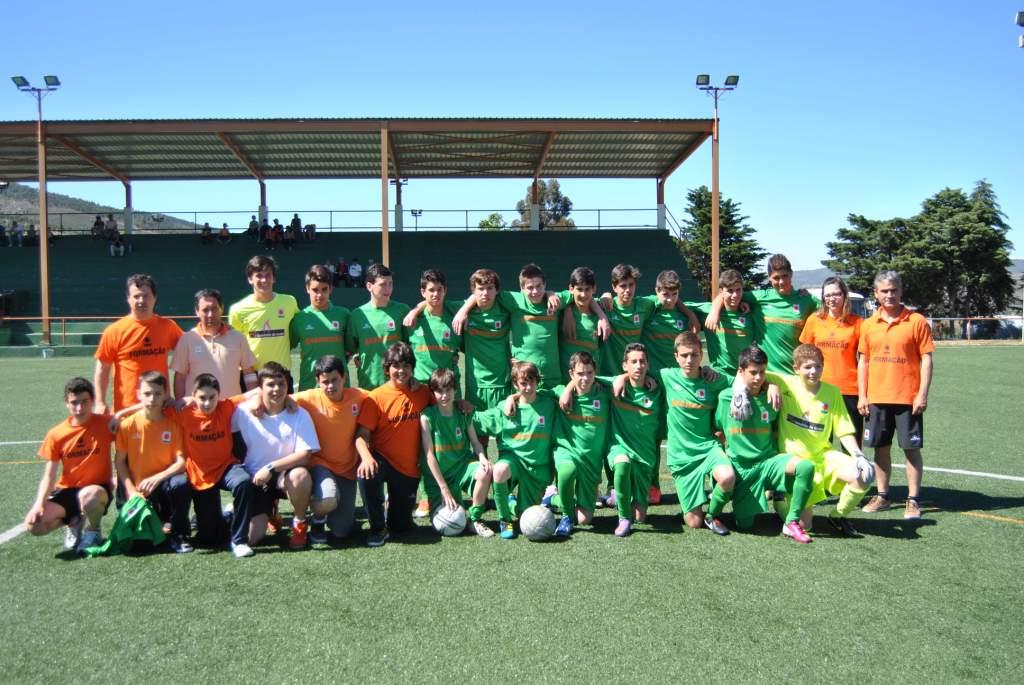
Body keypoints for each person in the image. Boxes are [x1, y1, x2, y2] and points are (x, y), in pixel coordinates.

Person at [768, 344, 875, 536]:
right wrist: (771, 385)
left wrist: (859, 455)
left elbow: (843, 429)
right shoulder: (784, 383)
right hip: (795, 462)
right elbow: (749, 374)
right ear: (796, 369)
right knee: (805, 525)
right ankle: (779, 501)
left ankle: (838, 516)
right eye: (808, 367)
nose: (813, 372)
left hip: (823, 457)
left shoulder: (832, 392)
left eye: (818, 366)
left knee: (863, 474)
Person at [716, 345, 816, 543]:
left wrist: (772, 384)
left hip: (768, 463)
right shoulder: (726, 398)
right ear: (741, 372)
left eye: (762, 372)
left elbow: (776, 429)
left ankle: (791, 521)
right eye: (753, 372)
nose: (758, 377)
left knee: (805, 466)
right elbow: (718, 431)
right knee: (745, 525)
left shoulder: (772, 397)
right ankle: (720, 507)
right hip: (742, 469)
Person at [858, 270, 934, 520]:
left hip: (907, 399)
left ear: (901, 291)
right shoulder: (868, 325)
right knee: (880, 448)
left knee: (910, 449)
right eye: (884, 291)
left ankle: (913, 500)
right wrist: (862, 395)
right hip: (877, 397)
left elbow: (926, 359)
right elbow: (864, 362)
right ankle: (882, 496)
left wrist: (922, 394)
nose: (889, 295)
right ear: (876, 294)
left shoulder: (917, 321)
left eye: (894, 290)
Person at [23, 377, 116, 554]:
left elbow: (132, 433)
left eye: (84, 402)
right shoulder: (56, 434)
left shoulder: (106, 424)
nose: (79, 408)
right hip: (67, 490)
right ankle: (74, 522)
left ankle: (93, 530)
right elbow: (49, 475)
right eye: (74, 403)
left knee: (90, 496)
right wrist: (38, 505)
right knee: (34, 525)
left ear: (93, 401)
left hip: (96, 490)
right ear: (67, 403)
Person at [354, 342, 433, 547]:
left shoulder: (423, 392)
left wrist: (460, 404)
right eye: (396, 366)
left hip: (408, 470)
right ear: (387, 369)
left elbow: (444, 402)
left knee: (401, 527)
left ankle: (394, 510)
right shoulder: (376, 397)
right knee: (366, 473)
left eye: (406, 366)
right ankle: (377, 528)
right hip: (382, 460)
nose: (402, 371)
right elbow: (361, 436)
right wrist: (366, 457)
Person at [231, 362, 316, 549]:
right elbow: (221, 408)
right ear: (260, 388)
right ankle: (270, 513)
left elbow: (305, 454)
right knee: (252, 539)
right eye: (270, 385)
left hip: (283, 476)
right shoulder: (243, 412)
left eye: (281, 384)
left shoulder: (299, 413)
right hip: (256, 479)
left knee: (300, 475)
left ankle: (300, 524)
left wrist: (271, 467)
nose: (276, 389)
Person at [660, 333, 735, 535]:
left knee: (728, 477)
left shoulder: (713, 379)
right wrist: (621, 378)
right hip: (682, 456)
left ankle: (712, 514)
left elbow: (743, 382)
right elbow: (635, 376)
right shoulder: (667, 376)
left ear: (701, 355)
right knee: (693, 522)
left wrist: (770, 385)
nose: (689, 360)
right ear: (676, 356)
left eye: (694, 355)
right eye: (684, 355)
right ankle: (699, 505)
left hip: (708, 447)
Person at [473, 361, 557, 539]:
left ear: (537, 381)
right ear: (515, 384)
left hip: (538, 469)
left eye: (531, 382)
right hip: (513, 462)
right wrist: (460, 406)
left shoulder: (549, 402)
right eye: (523, 383)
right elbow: (478, 419)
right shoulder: (505, 409)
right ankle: (505, 521)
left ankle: (510, 503)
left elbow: (565, 390)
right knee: (499, 470)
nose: (528, 387)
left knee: (525, 516)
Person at [456, 263, 575, 388]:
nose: (535, 291)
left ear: (545, 284)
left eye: (539, 286)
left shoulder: (555, 301)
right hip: (523, 377)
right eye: (530, 287)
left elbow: (576, 295)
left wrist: (562, 304)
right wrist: (463, 311)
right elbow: (484, 293)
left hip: (551, 376)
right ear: (521, 288)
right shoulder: (513, 300)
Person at [292, 355, 369, 544]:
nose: (330, 386)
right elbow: (274, 396)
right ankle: (317, 520)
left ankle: (333, 514)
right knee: (328, 497)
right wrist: (254, 401)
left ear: (343, 378)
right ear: (318, 382)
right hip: (320, 465)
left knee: (342, 531)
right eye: (325, 382)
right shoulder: (307, 398)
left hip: (347, 469)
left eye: (335, 380)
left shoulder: (358, 396)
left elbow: (384, 396)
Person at [113, 372, 191, 553]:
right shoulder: (127, 425)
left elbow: (181, 462)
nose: (152, 398)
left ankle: (179, 534)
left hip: (162, 486)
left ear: (165, 395)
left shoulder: (173, 425)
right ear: (138, 394)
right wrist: (131, 491)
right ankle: (158, 525)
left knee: (181, 482)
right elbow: (119, 462)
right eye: (147, 393)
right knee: (140, 547)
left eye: (157, 393)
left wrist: (158, 477)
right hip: (137, 490)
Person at [708, 254, 818, 374]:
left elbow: (830, 309)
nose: (781, 282)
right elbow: (726, 294)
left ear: (791, 274)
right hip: (766, 374)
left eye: (785, 276)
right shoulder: (760, 297)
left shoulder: (807, 300)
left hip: (796, 373)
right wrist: (714, 312)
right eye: (776, 278)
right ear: (769, 278)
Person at [420, 367, 494, 538]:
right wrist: (443, 487)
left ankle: (475, 519)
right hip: (438, 476)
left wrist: (482, 457)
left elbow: (476, 443)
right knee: (445, 523)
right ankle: (458, 511)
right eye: (439, 391)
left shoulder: (463, 413)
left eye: (448, 390)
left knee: (486, 471)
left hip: (461, 467)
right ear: (433, 392)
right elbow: (429, 455)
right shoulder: (427, 417)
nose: (444, 396)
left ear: (455, 390)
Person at [94, 274, 184, 414]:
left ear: (155, 298)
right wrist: (100, 402)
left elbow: (188, 353)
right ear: (128, 299)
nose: (141, 300)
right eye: (136, 296)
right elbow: (102, 369)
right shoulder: (114, 331)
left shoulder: (168, 327)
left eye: (146, 296)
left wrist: (181, 397)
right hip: (127, 410)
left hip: (161, 408)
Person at [603, 343, 663, 537]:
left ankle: (622, 496)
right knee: (621, 464)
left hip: (645, 458)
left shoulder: (657, 388)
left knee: (641, 516)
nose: (638, 366)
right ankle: (622, 518)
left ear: (648, 364)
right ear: (624, 365)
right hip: (619, 447)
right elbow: (583, 378)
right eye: (633, 362)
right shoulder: (614, 384)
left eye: (642, 362)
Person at [550, 351, 611, 537]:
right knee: (567, 471)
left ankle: (553, 499)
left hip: (591, 461)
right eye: (579, 374)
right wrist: (512, 398)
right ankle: (566, 516)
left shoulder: (604, 392)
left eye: (589, 373)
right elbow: (533, 392)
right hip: (566, 450)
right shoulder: (560, 393)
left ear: (596, 373)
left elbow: (623, 378)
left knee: (585, 520)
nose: (585, 378)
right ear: (571, 374)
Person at [799, 276, 864, 445]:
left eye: (836, 294)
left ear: (844, 295)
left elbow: (865, 360)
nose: (831, 299)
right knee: (819, 444)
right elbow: (804, 355)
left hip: (850, 390)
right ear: (823, 298)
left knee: (851, 445)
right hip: (819, 388)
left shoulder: (858, 323)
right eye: (827, 295)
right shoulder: (814, 320)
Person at [172, 288, 257, 400]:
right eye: (205, 310)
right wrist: (181, 406)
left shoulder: (238, 338)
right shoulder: (187, 339)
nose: (210, 314)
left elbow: (249, 374)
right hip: (198, 410)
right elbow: (180, 378)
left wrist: (255, 400)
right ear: (197, 311)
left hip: (232, 409)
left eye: (214, 309)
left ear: (221, 309)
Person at [227, 255, 299, 374]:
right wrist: (248, 375)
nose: (264, 280)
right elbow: (235, 346)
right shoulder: (238, 309)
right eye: (259, 276)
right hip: (252, 375)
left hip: (282, 374)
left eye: (268, 275)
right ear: (250, 279)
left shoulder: (289, 302)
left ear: (274, 278)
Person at [345, 263, 410, 389]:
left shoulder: (402, 310)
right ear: (369, 286)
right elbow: (351, 348)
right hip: (368, 384)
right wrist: (356, 356)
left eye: (390, 284)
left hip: (398, 385)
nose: (388, 289)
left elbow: (411, 345)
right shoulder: (357, 315)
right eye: (382, 285)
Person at [688, 268, 760, 376]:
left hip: (745, 375)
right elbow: (678, 304)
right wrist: (692, 316)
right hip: (718, 374)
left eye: (738, 290)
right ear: (721, 292)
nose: (735, 295)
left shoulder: (750, 312)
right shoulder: (708, 311)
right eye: (730, 291)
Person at [289, 265, 349, 391]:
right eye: (315, 290)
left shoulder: (344, 315)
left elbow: (352, 348)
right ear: (307, 289)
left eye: (324, 289)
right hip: (309, 386)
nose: (320, 295)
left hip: (339, 387)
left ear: (331, 289)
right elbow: (286, 346)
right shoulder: (299, 318)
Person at [401, 269, 462, 387]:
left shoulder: (454, 315)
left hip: (448, 385)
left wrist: (463, 312)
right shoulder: (412, 319)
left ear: (445, 291)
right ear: (423, 292)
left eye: (439, 290)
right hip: (420, 385)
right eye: (431, 290)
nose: (436, 294)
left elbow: (475, 298)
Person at [558, 267, 605, 380]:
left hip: (590, 383)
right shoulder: (560, 311)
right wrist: (567, 308)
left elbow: (608, 298)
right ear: (571, 288)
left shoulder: (601, 311)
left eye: (587, 289)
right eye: (579, 289)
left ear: (594, 289)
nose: (583, 294)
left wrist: (602, 316)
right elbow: (547, 295)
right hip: (564, 383)